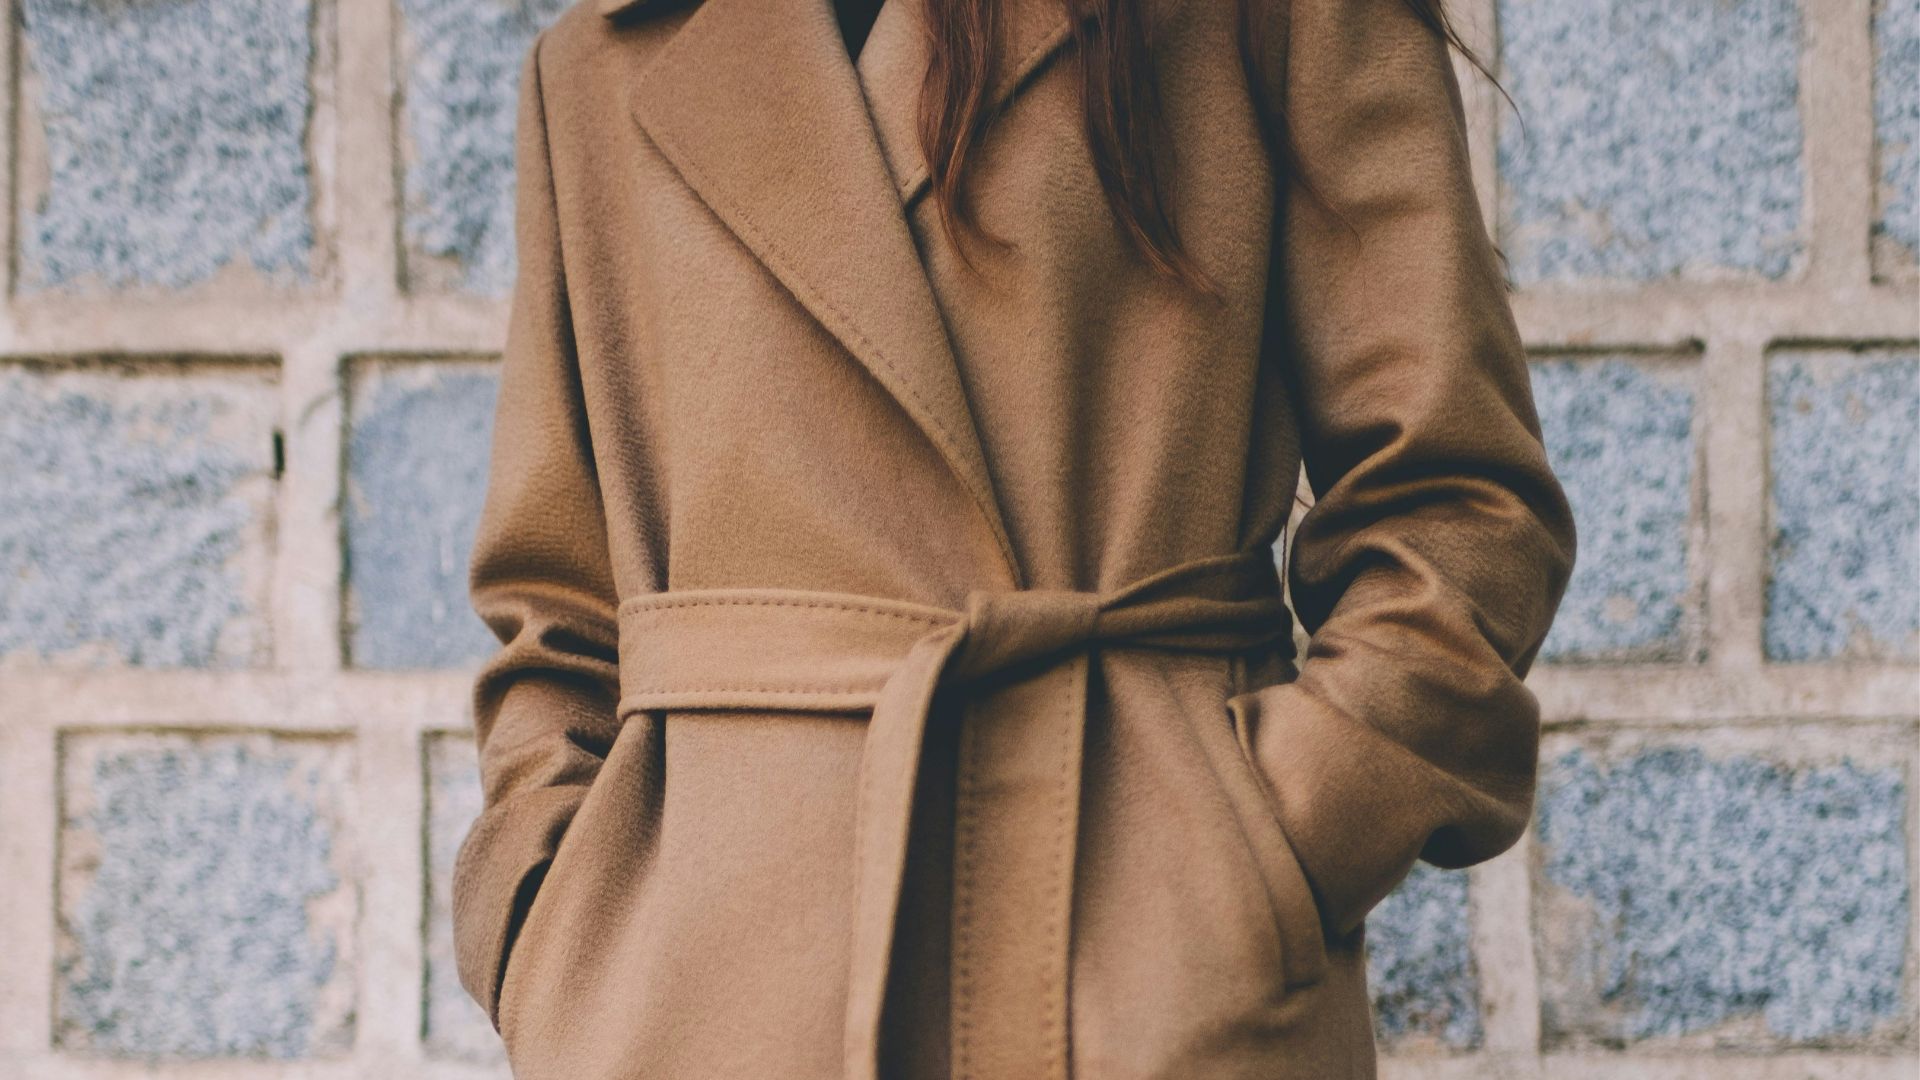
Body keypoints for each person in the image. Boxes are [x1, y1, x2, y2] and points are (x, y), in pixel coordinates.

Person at [450, 0, 1577, 1074]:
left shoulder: (1267, 18)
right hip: (697, 1003)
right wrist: (545, 915)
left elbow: (1456, 501)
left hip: (1135, 961)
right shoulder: (599, 62)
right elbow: (560, 608)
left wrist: (1265, 853)